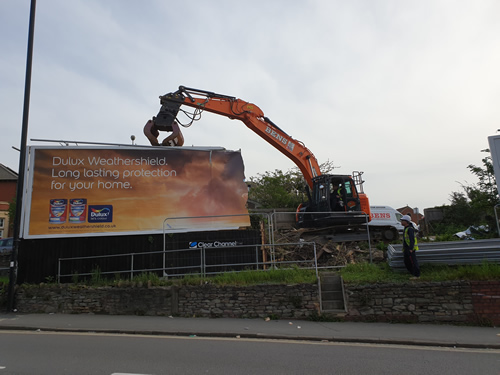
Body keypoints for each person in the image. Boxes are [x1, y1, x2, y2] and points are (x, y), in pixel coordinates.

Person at [401, 214, 420, 279]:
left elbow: (412, 239)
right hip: (406, 248)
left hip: (410, 248)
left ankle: (417, 275)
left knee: (413, 262)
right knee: (407, 262)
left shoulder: (410, 229)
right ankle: (412, 273)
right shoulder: (406, 228)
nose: (401, 222)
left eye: (402, 220)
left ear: (406, 221)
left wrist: (411, 248)